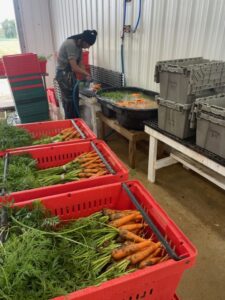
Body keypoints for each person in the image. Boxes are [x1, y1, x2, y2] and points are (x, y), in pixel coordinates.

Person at [55, 30, 97, 119]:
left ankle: (76, 120)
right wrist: (86, 73)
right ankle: (70, 122)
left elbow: (81, 63)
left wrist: (86, 75)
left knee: (74, 98)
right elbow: (74, 67)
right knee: (69, 100)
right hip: (63, 74)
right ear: (83, 40)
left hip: (69, 74)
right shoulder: (71, 44)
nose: (88, 47)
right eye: (88, 45)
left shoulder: (79, 47)